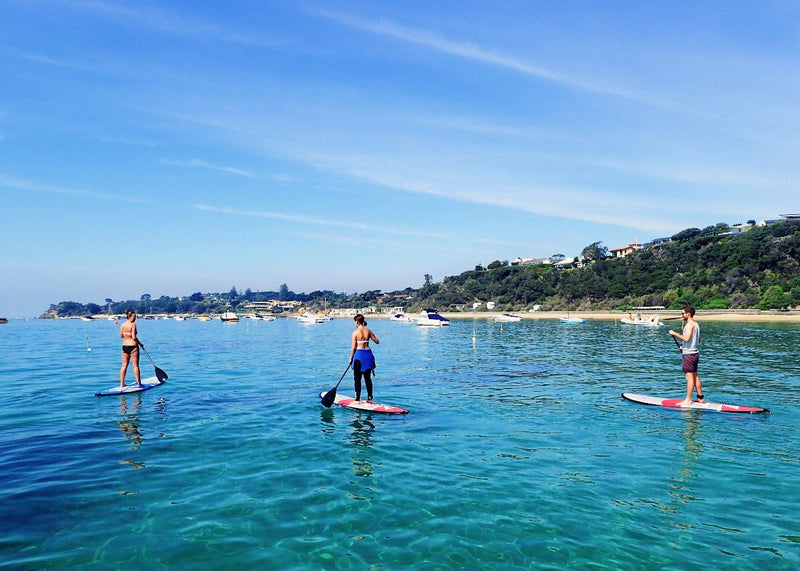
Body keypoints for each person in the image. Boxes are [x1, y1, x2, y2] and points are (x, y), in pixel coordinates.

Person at [668, 305, 703, 406]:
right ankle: (700, 398)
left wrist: (674, 333)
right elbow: (697, 340)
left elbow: (687, 338)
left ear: (688, 314)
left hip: (689, 355)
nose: (681, 315)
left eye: (682, 313)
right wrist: (684, 347)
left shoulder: (689, 325)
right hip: (695, 353)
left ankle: (688, 400)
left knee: (689, 378)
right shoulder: (696, 324)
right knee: (695, 375)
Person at [349, 314, 379, 402]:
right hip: (368, 355)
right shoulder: (368, 331)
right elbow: (377, 341)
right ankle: (370, 397)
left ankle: (357, 398)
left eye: (355, 322)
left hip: (359, 355)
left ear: (357, 322)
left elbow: (353, 347)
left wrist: (350, 358)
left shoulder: (355, 333)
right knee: (367, 378)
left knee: (357, 378)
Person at [120, 309, 142, 388]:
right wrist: (140, 344)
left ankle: (122, 384)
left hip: (124, 346)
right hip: (133, 347)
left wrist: (126, 334)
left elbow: (121, 336)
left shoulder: (122, 325)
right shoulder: (133, 324)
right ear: (129, 317)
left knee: (124, 365)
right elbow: (134, 337)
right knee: (135, 366)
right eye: (134, 317)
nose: (135, 319)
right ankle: (138, 383)